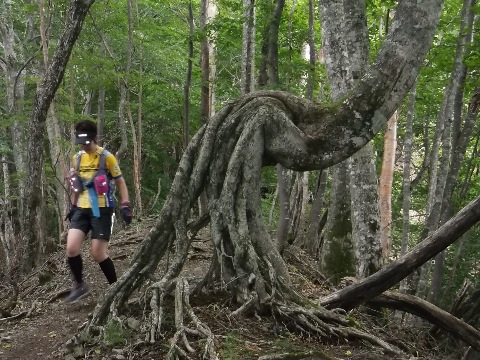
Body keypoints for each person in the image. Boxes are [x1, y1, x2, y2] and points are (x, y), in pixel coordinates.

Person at [64, 119, 132, 303]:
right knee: (71, 248)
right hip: (81, 208)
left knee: (97, 253)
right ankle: (79, 285)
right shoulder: (77, 158)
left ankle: (116, 289)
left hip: (102, 209)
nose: (84, 146)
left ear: (95, 138)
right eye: (81, 143)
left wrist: (125, 204)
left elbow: (120, 181)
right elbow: (76, 185)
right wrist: (73, 206)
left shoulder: (107, 157)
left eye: (87, 142)